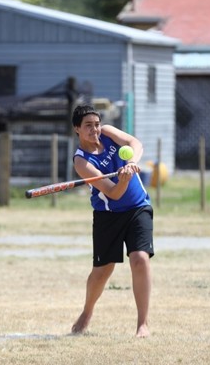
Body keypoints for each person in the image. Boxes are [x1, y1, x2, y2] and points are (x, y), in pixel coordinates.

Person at [70, 104, 154, 338]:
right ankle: (87, 312)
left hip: (139, 206)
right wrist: (124, 180)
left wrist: (131, 163)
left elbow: (135, 144)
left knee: (139, 259)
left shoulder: (107, 132)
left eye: (96, 124)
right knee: (102, 271)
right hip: (109, 215)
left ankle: (143, 324)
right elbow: (114, 193)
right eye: (88, 126)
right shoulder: (81, 162)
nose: (95, 129)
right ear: (77, 129)